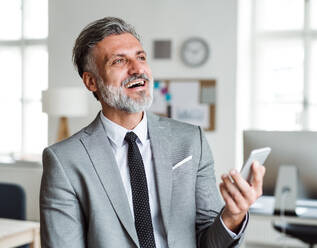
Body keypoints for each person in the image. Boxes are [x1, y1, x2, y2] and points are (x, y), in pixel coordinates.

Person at [40, 17, 265, 248]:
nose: (137, 69)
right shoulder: (64, 161)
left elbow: (209, 240)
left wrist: (233, 216)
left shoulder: (190, 141)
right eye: (119, 61)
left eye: (141, 57)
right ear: (91, 81)